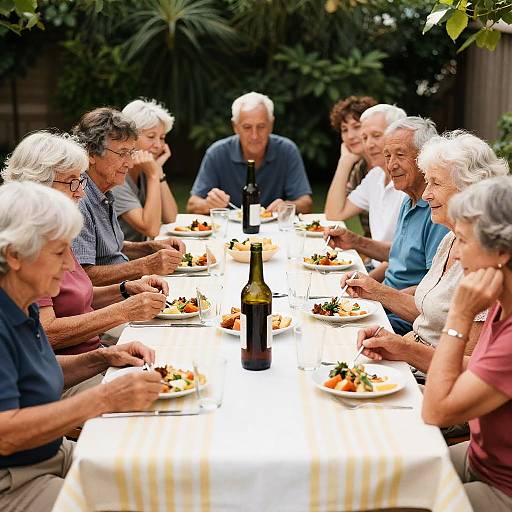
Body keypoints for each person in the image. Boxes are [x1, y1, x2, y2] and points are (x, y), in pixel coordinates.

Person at [0, 182, 163, 512]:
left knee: (152, 470)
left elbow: (33, 372)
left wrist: (103, 357)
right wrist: (105, 397)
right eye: (59, 253)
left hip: (52, 453)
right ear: (14, 255)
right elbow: (6, 433)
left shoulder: (23, 302)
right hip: (13, 481)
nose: (68, 266)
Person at [1, 131, 169, 355]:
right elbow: (46, 332)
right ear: (38, 184)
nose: (81, 191)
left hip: (93, 350)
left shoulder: (54, 229)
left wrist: (125, 289)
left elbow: (78, 296)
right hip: (72, 368)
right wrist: (123, 311)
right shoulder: (28, 244)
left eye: (80, 179)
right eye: (72, 182)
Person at [341, 131, 508, 351]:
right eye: (427, 182)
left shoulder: (482, 257)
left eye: (436, 184)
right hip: (411, 348)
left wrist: (404, 349)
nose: (426, 193)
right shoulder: (450, 239)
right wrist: (373, 290)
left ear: (468, 189)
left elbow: (466, 362)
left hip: (423, 373)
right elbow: (431, 312)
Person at [422, 176, 512, 512]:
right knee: (392, 472)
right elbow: (478, 371)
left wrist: (459, 316)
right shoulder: (501, 298)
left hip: (502, 487)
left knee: (398, 501)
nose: (455, 254)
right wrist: (402, 349)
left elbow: (436, 410)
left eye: (462, 241)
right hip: (478, 458)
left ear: (500, 252)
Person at [326, 116, 449, 334]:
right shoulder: (407, 199)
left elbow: (434, 291)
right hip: (385, 302)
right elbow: (399, 255)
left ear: (425, 158)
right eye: (387, 156)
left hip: (405, 316)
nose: (391, 165)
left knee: (336, 332)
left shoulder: (437, 212)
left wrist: (379, 294)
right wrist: (353, 241)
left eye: (400, 155)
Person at [71, 107, 186, 286]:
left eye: (131, 153)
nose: (130, 162)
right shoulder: (78, 199)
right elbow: (84, 275)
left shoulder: (103, 190)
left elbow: (111, 249)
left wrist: (149, 247)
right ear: (91, 153)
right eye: (122, 153)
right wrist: (146, 264)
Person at [187, 91, 313, 214]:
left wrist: (287, 206)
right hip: (229, 231)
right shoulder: (217, 153)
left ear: (271, 125)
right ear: (235, 127)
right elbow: (192, 204)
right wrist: (208, 205)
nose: (254, 136)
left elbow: (306, 203)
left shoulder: (287, 150)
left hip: (275, 229)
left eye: (261, 126)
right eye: (247, 127)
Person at [324, 103, 407, 276]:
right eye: (365, 137)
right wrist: (345, 161)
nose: (369, 145)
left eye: (376, 135)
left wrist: (364, 282)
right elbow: (333, 214)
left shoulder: (409, 184)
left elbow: (405, 257)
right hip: (373, 266)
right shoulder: (375, 176)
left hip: (392, 275)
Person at [112, 99, 178, 242]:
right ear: (129, 137)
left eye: (162, 138)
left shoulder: (145, 169)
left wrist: (158, 172)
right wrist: (154, 175)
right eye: (151, 136)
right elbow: (151, 229)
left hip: (140, 254)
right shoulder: (116, 177)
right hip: (122, 260)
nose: (158, 145)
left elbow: (171, 218)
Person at [324, 95, 378, 238]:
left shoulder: (389, 167)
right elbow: (332, 214)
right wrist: (344, 162)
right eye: (344, 129)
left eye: (356, 127)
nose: (350, 136)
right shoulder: (360, 169)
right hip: (371, 250)